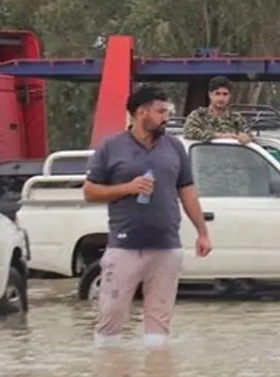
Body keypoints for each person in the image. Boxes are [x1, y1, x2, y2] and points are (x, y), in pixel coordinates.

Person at [83, 84, 213, 347]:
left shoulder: (174, 146)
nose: (166, 117)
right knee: (110, 319)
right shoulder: (111, 147)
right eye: (160, 111)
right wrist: (127, 188)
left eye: (167, 111)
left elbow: (187, 191)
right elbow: (89, 191)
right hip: (125, 246)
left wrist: (202, 232)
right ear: (141, 112)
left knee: (159, 326)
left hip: (167, 246)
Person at [181, 76, 254, 143]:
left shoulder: (236, 118)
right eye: (217, 93)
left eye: (225, 94)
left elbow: (249, 135)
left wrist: (245, 137)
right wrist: (222, 136)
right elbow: (188, 132)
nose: (221, 98)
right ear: (210, 94)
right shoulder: (198, 116)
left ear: (230, 96)